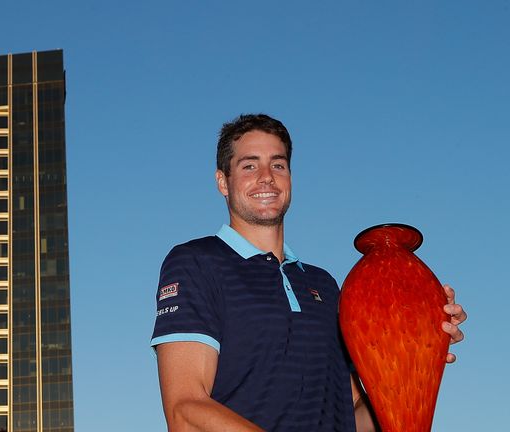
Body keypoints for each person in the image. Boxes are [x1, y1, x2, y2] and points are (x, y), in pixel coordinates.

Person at [150, 114, 467, 432]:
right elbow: (186, 409)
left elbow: (353, 412)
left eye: (278, 165)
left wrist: (416, 356)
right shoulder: (196, 263)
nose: (266, 178)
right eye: (249, 165)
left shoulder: (325, 286)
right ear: (223, 181)